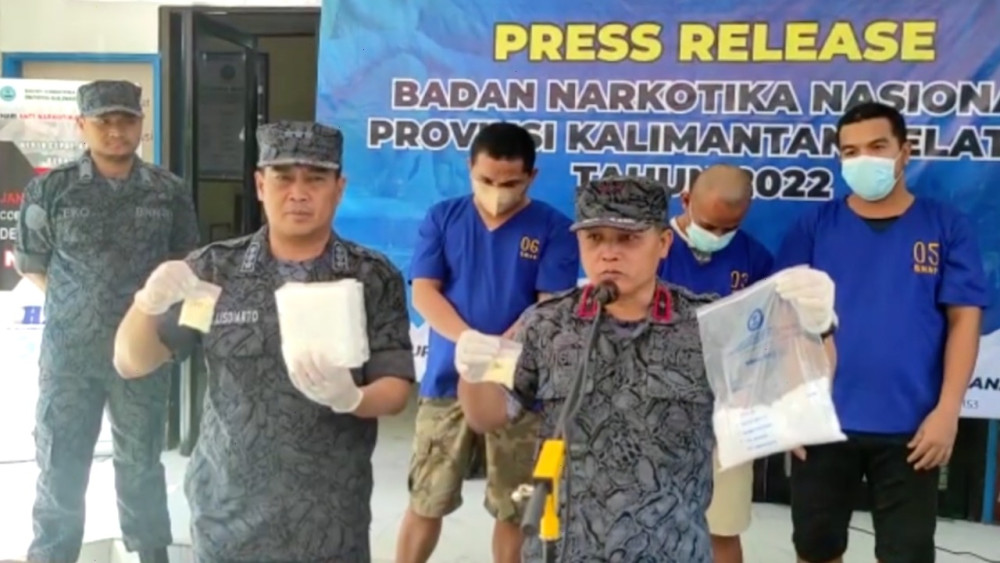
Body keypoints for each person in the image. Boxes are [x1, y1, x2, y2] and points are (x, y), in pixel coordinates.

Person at [456, 175, 839, 562]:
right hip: (564, 548)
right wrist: (472, 373)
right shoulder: (546, 324)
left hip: (671, 550)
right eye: (595, 238)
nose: (609, 253)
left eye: (628, 239)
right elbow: (487, 415)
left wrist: (817, 328)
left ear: (663, 243)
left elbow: (795, 391)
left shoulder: (706, 324)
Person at [112, 121, 415, 562]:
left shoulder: (371, 276)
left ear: (339, 188)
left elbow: (395, 388)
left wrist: (353, 398)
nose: (298, 193)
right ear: (259, 185)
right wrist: (147, 302)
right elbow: (131, 361)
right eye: (283, 178)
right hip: (229, 513)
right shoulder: (215, 271)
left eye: (315, 179)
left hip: (329, 516)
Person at [775, 101, 989, 563]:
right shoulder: (815, 226)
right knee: (815, 549)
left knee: (906, 555)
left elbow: (964, 320)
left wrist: (948, 411)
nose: (863, 160)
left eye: (876, 147)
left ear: (904, 152)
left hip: (913, 430)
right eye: (850, 152)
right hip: (823, 424)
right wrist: (791, 406)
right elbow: (783, 320)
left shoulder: (945, 226)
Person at [13, 80, 198, 563]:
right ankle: (52, 555)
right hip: (70, 358)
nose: (116, 131)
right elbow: (31, 263)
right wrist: (79, 305)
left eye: (126, 120)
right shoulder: (50, 189)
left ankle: (152, 554)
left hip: (141, 357)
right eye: (104, 121)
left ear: (141, 124)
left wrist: (151, 325)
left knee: (141, 465)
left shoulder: (168, 191)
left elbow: (184, 262)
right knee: (60, 464)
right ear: (82, 125)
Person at [396, 122, 580, 563]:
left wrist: (500, 348)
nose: (497, 192)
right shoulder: (443, 218)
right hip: (446, 382)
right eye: (486, 180)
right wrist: (467, 340)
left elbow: (550, 305)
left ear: (532, 177)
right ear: (470, 169)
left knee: (513, 507)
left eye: (510, 183)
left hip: (520, 389)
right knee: (426, 498)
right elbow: (424, 292)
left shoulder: (554, 228)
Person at [657, 164, 773, 563]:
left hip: (727, 411)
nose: (718, 237)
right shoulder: (651, 248)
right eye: (709, 226)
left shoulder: (756, 259)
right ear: (685, 200)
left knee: (722, 528)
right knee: (645, 522)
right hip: (653, 408)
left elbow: (767, 337)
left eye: (730, 229)